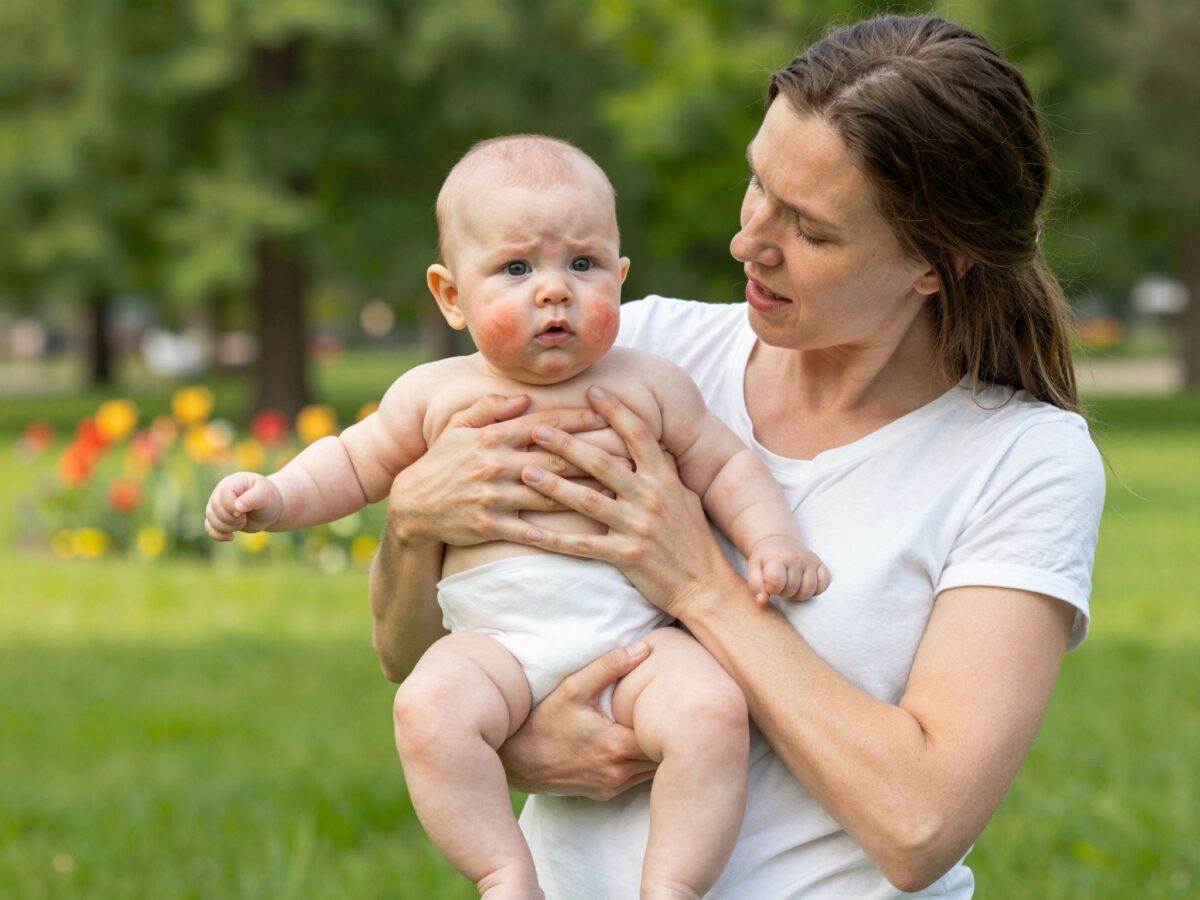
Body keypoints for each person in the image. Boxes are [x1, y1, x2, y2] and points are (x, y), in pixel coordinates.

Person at [367, 13, 1106, 900]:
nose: (749, 241)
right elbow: (412, 660)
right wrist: (411, 527)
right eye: (757, 185)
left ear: (936, 263)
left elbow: (920, 827)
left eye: (811, 229)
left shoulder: (1023, 460)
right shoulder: (632, 355)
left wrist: (699, 586)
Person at [204, 135, 830, 898]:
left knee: (709, 712)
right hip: (498, 647)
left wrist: (770, 542)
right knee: (427, 707)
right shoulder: (435, 393)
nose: (554, 290)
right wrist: (271, 497)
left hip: (636, 642)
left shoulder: (651, 383)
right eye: (515, 268)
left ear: (621, 278)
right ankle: (504, 873)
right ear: (450, 295)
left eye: (583, 264)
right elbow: (352, 462)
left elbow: (727, 464)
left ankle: (672, 887)